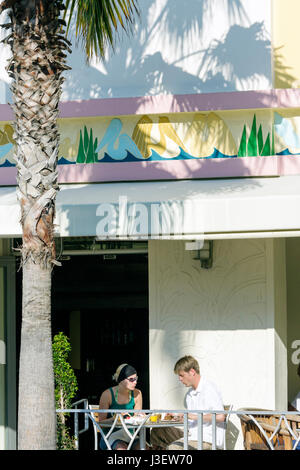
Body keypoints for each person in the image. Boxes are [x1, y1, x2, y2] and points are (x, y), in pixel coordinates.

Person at [150, 355, 225, 450]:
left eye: (181, 375)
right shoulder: (190, 394)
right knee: (158, 431)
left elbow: (220, 417)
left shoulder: (209, 389)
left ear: (192, 372)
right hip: (191, 435)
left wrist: (192, 416)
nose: (180, 379)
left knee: (174, 448)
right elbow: (192, 421)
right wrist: (178, 417)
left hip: (207, 439)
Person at [98, 363, 143, 450]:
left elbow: (138, 417)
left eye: (136, 378)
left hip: (130, 435)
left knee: (144, 447)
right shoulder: (107, 394)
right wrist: (116, 418)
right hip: (110, 436)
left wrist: (141, 416)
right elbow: (101, 424)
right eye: (131, 379)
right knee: (121, 448)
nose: (135, 382)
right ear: (121, 380)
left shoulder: (137, 393)